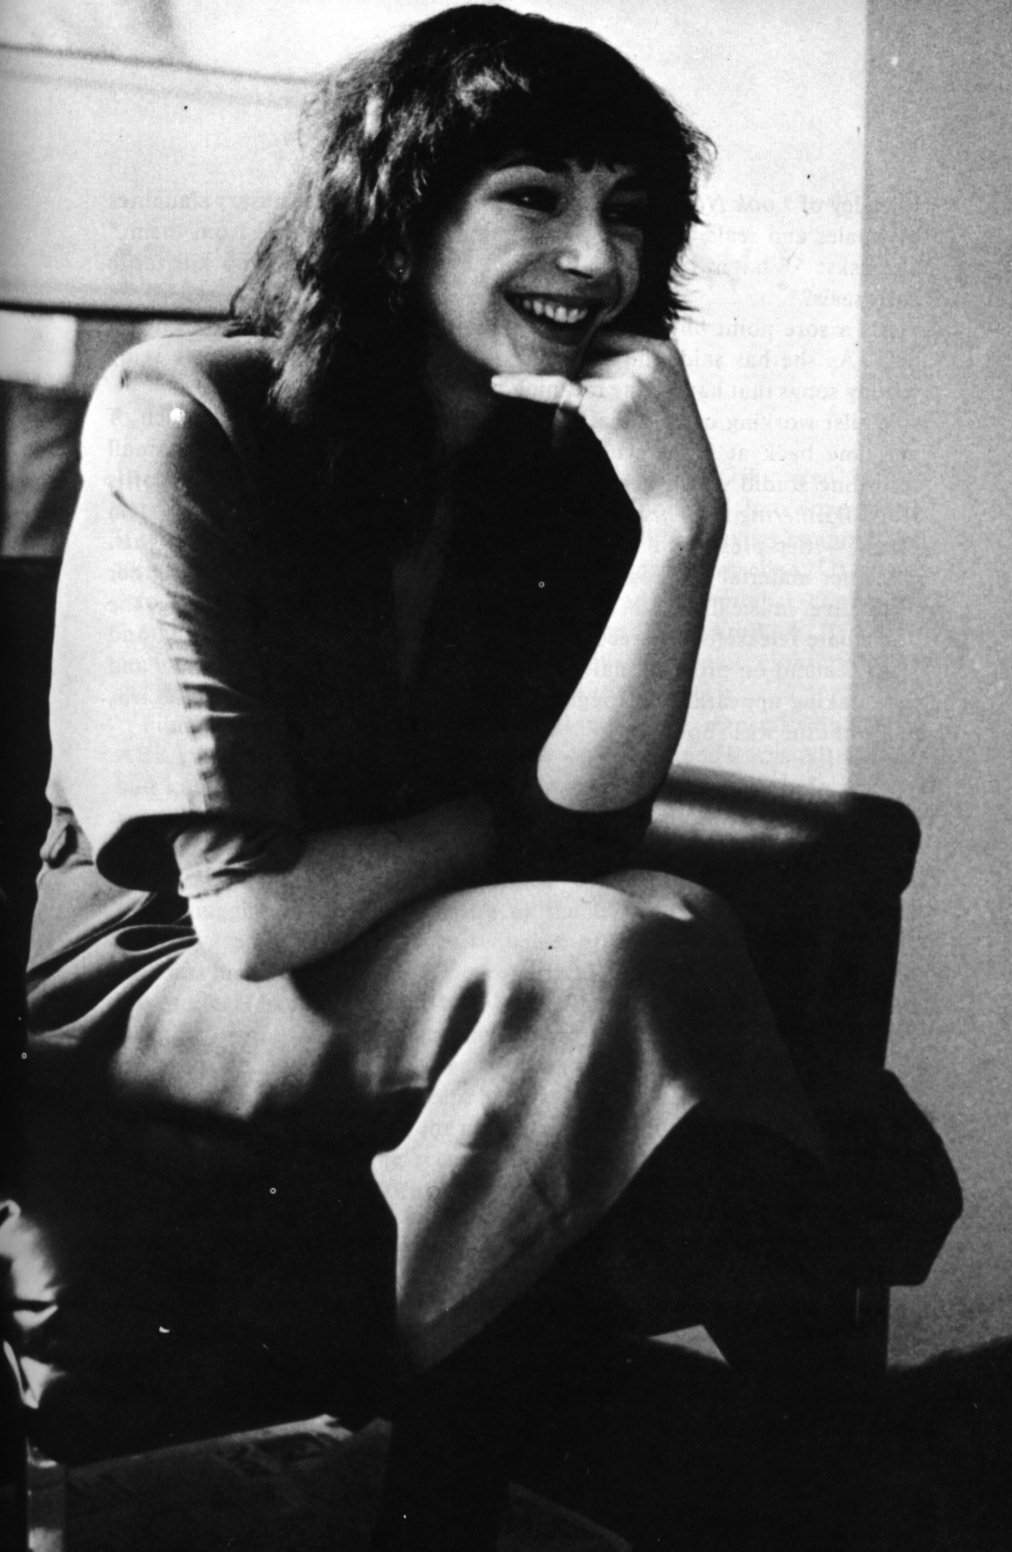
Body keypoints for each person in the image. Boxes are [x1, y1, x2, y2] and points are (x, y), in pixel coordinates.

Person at [10, 7, 959, 1550]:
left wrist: (684, 529)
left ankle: (450, 1491)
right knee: (624, 949)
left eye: (629, 214)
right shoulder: (182, 411)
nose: (597, 258)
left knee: (653, 929)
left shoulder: (566, 450)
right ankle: (820, 1453)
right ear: (403, 214)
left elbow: (589, 819)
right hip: (149, 978)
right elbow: (256, 920)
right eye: (534, 196)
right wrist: (502, 826)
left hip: (425, 947)